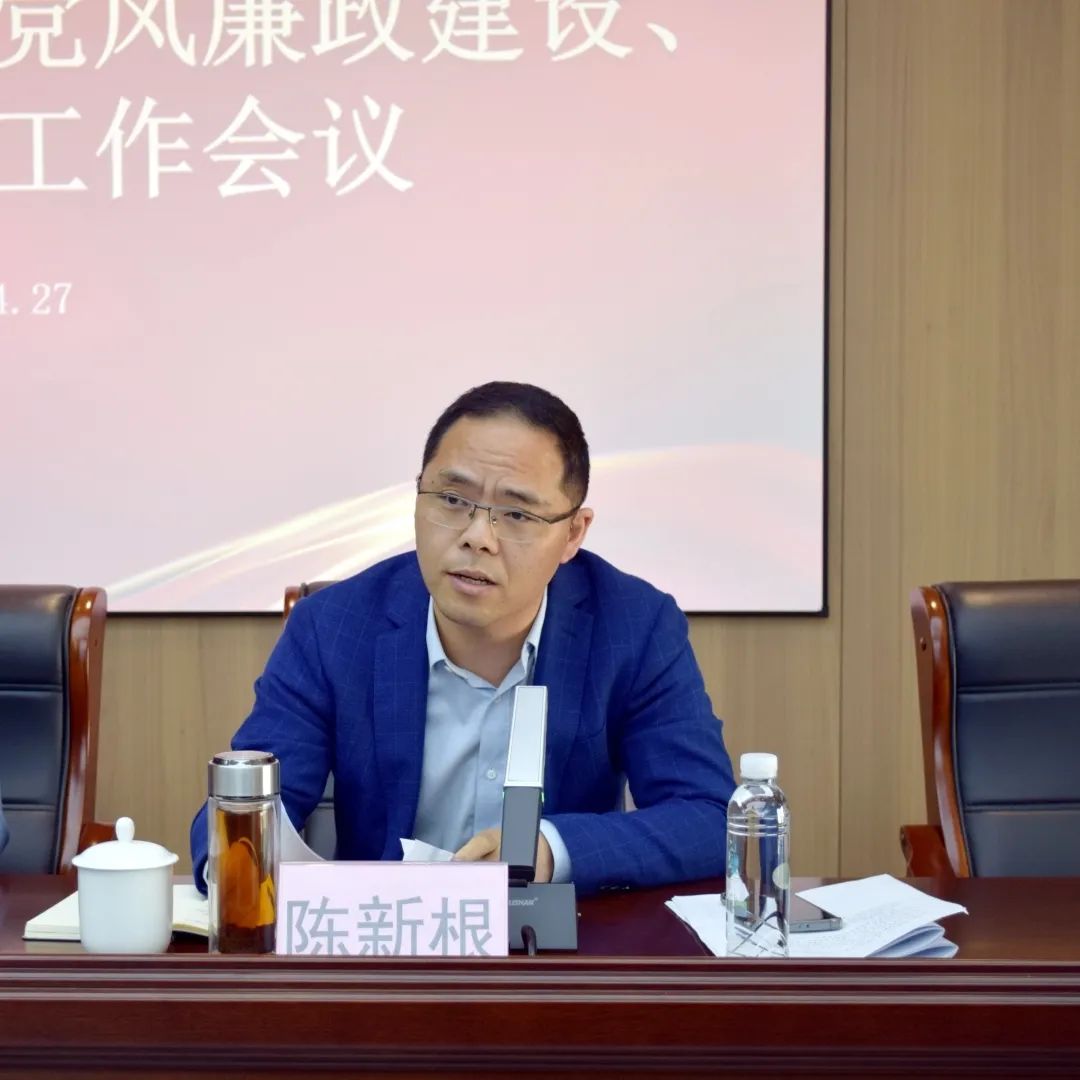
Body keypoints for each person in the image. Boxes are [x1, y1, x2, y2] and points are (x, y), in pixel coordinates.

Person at [190, 382, 735, 895]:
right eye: (452, 500)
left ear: (573, 533)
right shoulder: (332, 628)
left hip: (553, 944)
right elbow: (246, 812)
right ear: (417, 498)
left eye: (516, 513)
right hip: (386, 938)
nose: (478, 538)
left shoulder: (634, 627)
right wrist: (239, 863)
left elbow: (708, 816)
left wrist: (548, 850)